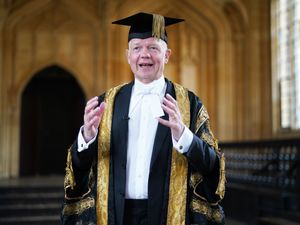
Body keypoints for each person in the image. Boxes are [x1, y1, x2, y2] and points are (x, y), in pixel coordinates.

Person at [61, 12, 226, 225]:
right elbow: (79, 172)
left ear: (167, 55)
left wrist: (184, 135)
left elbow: (213, 166)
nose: (144, 54)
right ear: (128, 55)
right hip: (115, 214)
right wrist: (87, 138)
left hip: (167, 215)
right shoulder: (107, 103)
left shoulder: (189, 104)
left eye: (153, 48)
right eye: (137, 48)